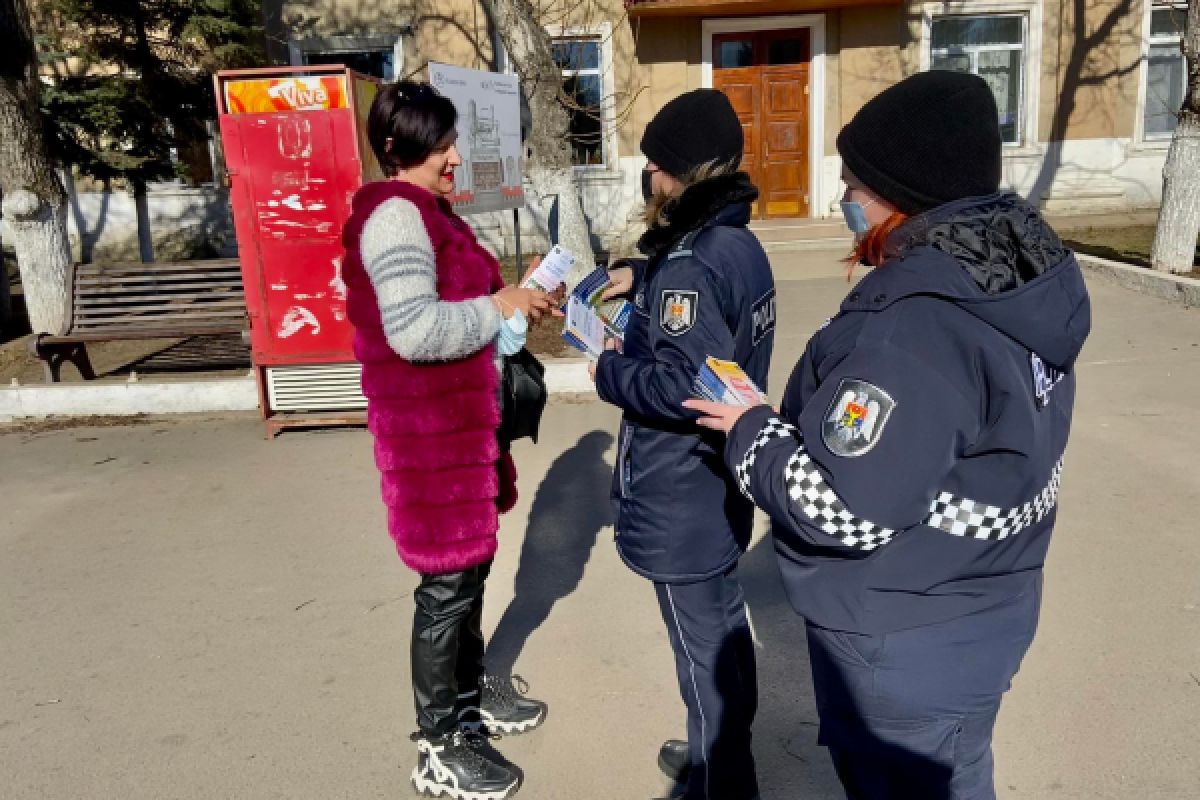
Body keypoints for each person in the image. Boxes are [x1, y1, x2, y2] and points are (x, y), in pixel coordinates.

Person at [685, 71, 1092, 800]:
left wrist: (750, 431)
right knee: (958, 772)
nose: (844, 196)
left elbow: (845, 506)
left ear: (902, 191)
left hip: (905, 633)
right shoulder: (1017, 279)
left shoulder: (915, 326)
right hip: (983, 606)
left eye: (853, 181)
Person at [341, 80, 556, 800]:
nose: (455, 157)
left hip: (465, 431)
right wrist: (496, 307)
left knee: (468, 578)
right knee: (445, 588)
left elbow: (465, 310)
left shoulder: (432, 215)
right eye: (442, 147)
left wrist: (515, 296)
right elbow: (414, 330)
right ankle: (439, 748)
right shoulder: (396, 219)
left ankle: (468, 702)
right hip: (430, 442)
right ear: (402, 150)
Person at [591, 88, 776, 800]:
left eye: (655, 166)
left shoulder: (694, 263)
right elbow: (711, 332)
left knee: (702, 654)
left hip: (680, 494)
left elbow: (680, 386)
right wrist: (644, 275)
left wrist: (609, 369)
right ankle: (720, 751)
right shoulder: (737, 245)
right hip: (720, 480)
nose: (650, 178)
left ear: (682, 172)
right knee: (722, 634)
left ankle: (722, 779)